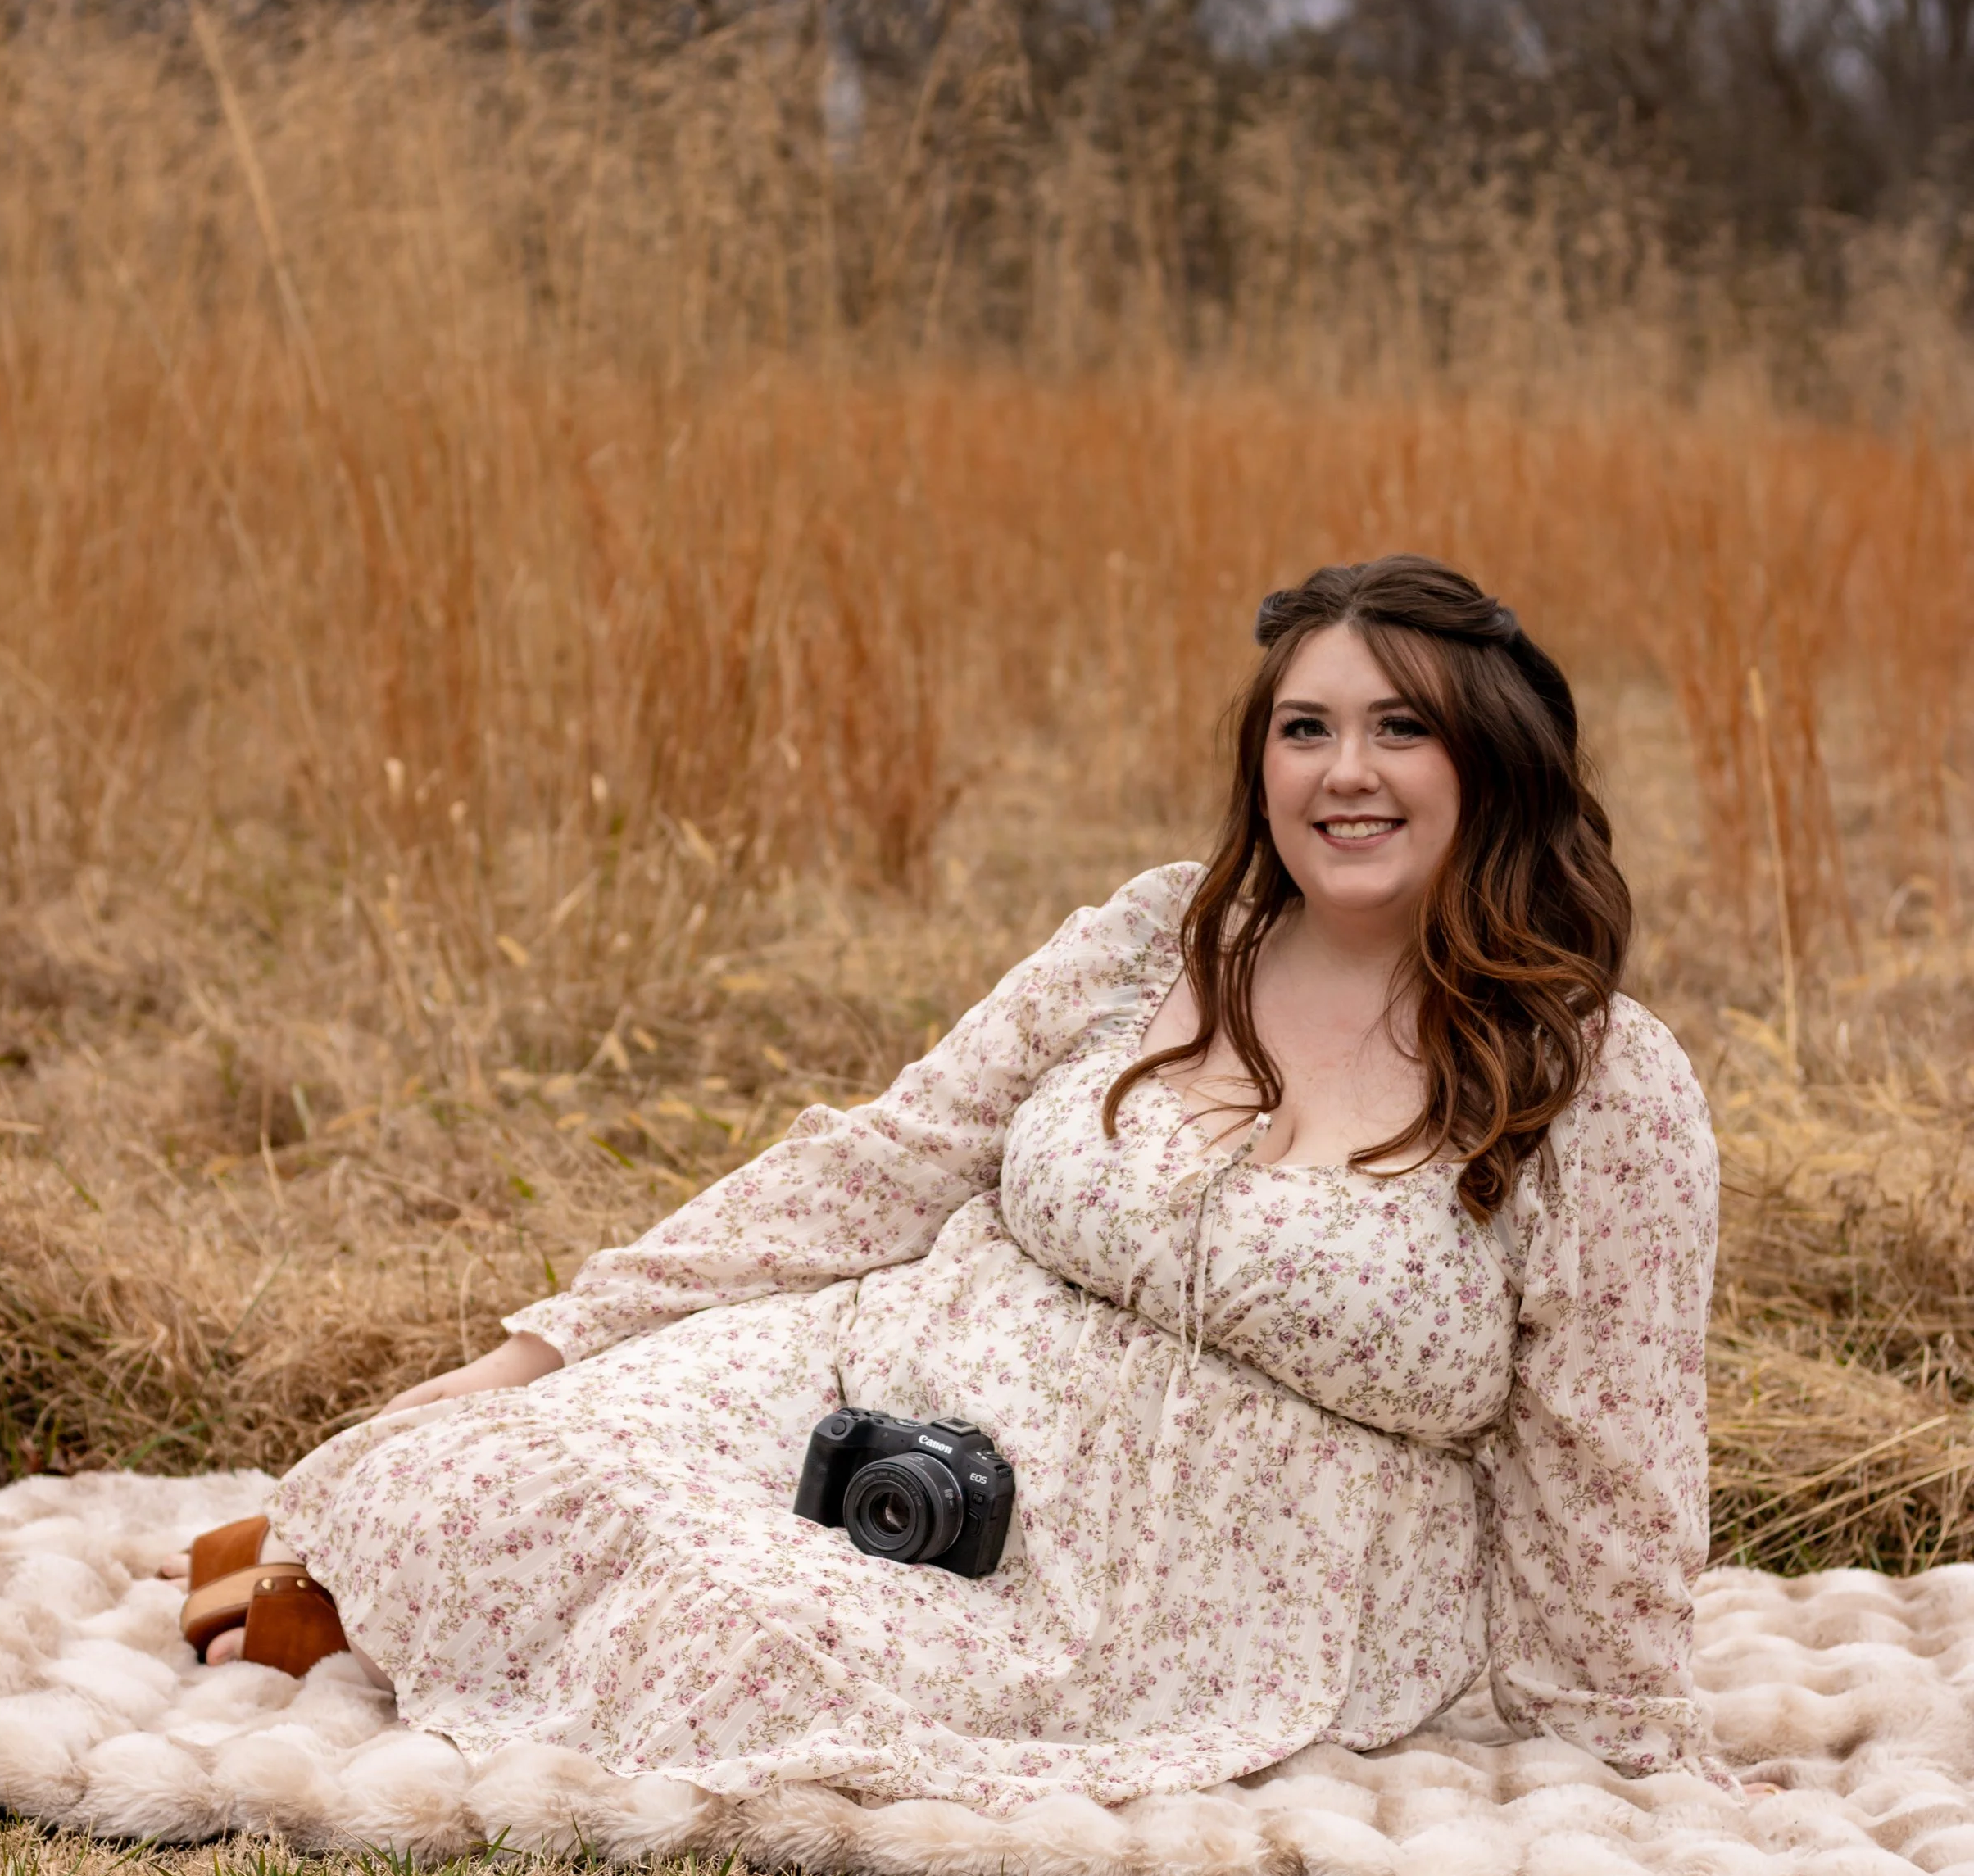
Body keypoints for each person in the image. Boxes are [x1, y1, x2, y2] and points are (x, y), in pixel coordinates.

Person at [179, 556, 1729, 1805]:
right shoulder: (1156, 942)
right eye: (1304, 727)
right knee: (469, 1470)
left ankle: (427, 1611)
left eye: (1404, 727)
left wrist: (1617, 1745)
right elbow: (882, 1160)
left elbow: (1609, 1455)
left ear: (1494, 765)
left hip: (1174, 1588)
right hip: (877, 1391)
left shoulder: (1592, 1082)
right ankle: (372, 1570)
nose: (1346, 772)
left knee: (735, 1653)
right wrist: (538, 1349)